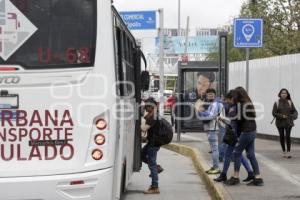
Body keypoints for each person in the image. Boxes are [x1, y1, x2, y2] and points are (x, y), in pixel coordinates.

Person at [225, 87, 264, 186]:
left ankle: (235, 177)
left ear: (238, 95)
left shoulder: (240, 105)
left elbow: (238, 119)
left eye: (234, 95)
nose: (233, 97)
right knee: (251, 155)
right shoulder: (248, 103)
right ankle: (258, 178)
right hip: (252, 131)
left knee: (236, 153)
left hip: (246, 132)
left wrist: (229, 116)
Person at [214, 90, 254, 182]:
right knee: (238, 154)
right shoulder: (239, 106)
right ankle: (250, 172)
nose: (226, 101)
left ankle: (224, 174)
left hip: (235, 134)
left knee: (229, 154)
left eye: (228, 99)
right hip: (236, 133)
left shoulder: (236, 107)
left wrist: (223, 118)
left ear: (232, 98)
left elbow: (234, 121)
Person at [197, 88, 224, 174]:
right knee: (214, 149)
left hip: (213, 128)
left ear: (215, 95)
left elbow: (211, 117)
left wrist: (201, 114)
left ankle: (216, 167)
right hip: (212, 128)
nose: (210, 96)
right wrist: (202, 112)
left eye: (211, 94)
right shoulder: (212, 104)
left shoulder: (216, 104)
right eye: (208, 94)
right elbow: (210, 114)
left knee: (215, 149)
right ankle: (214, 167)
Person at [141, 97, 163, 194]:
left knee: (152, 164)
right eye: (145, 106)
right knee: (141, 155)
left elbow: (144, 128)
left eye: (147, 106)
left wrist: (138, 121)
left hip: (154, 144)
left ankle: (155, 187)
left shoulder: (153, 116)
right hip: (152, 142)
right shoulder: (152, 115)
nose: (146, 108)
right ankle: (157, 167)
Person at [272, 88, 298, 158]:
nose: (284, 94)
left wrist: (293, 116)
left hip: (288, 122)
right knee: (282, 136)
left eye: (285, 93)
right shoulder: (276, 102)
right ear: (280, 94)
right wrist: (281, 116)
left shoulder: (290, 102)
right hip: (279, 123)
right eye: (282, 93)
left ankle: (288, 152)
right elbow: (274, 113)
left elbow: (295, 111)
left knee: (288, 136)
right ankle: (284, 151)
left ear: (287, 94)